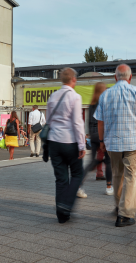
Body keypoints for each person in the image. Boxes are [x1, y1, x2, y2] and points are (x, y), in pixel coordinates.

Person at [94, 64, 136, 227]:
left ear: (115, 77)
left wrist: (101, 141)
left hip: (112, 142)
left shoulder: (106, 94)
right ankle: (125, 214)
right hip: (133, 142)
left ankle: (118, 206)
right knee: (130, 175)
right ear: (130, 77)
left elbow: (100, 122)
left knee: (116, 174)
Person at [47, 67, 86, 223]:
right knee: (77, 174)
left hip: (54, 142)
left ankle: (61, 215)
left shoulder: (53, 96)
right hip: (70, 142)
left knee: (61, 179)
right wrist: (82, 145)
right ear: (74, 80)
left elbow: (48, 120)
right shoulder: (75, 97)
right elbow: (77, 122)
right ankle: (66, 204)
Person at [81, 82, 113, 198]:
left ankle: (79, 185)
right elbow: (103, 121)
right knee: (108, 160)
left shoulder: (91, 103)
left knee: (92, 161)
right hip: (102, 134)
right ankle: (109, 187)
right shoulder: (104, 102)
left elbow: (89, 122)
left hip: (93, 135)